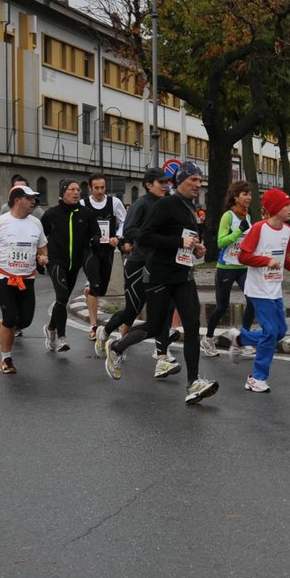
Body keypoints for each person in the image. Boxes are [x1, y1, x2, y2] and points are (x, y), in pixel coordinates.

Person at [104, 162, 219, 405]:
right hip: (159, 275)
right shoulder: (166, 204)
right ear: (180, 181)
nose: (199, 185)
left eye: (200, 181)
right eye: (194, 180)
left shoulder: (190, 207)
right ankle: (116, 348)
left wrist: (196, 249)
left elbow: (185, 239)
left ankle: (193, 382)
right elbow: (144, 235)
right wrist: (178, 242)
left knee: (191, 325)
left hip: (183, 275)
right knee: (156, 326)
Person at [97, 168, 179, 378]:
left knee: (163, 308)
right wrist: (151, 238)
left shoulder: (168, 202)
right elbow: (129, 230)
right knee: (132, 311)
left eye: (166, 182)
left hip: (160, 265)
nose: (165, 186)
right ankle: (105, 332)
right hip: (139, 263)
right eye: (160, 182)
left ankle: (161, 357)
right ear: (148, 184)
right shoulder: (142, 204)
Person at [0, 184, 49, 375]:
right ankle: (6, 358)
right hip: (4, 277)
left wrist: (43, 257)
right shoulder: (0, 222)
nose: (34, 202)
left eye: (34, 199)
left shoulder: (36, 223)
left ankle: (2, 327)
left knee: (25, 320)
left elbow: (43, 246)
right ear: (17, 200)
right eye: (30, 199)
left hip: (27, 278)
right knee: (11, 318)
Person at [236, 188, 290, 394]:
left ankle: (241, 339)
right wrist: (266, 261)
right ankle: (256, 377)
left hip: (275, 289)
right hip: (258, 290)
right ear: (275, 208)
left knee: (280, 331)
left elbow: (283, 257)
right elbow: (243, 257)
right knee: (271, 331)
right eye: (287, 205)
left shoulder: (287, 231)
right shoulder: (259, 228)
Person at [40, 179, 100, 353]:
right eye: (72, 189)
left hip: (75, 264)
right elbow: (40, 237)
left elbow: (94, 233)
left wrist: (95, 240)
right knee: (62, 295)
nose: (76, 193)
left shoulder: (86, 214)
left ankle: (51, 327)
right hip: (56, 261)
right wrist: (41, 258)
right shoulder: (51, 214)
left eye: (78, 190)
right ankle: (61, 337)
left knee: (63, 300)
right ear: (63, 192)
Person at [203, 180, 256, 359]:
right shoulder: (228, 216)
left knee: (253, 302)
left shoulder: (247, 216)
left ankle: (244, 338)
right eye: (244, 194)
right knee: (221, 307)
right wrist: (237, 232)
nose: (249, 197)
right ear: (235, 197)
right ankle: (208, 338)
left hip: (243, 267)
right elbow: (220, 242)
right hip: (226, 267)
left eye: (249, 194)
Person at [81, 174, 126, 343]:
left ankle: (91, 291)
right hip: (89, 250)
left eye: (102, 187)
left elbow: (124, 222)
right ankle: (93, 326)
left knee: (101, 289)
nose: (100, 191)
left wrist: (118, 237)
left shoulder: (114, 203)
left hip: (107, 249)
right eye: (96, 188)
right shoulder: (83, 205)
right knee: (95, 283)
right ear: (90, 188)